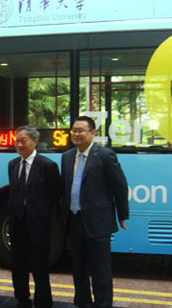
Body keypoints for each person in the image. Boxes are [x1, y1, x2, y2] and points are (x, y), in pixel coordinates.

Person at [60, 116, 129, 308]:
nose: (76, 134)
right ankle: (82, 302)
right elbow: (64, 189)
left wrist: (122, 215)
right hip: (74, 221)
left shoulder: (105, 156)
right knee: (78, 268)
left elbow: (120, 187)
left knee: (101, 271)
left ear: (93, 133)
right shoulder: (66, 157)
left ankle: (103, 304)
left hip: (98, 222)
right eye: (74, 130)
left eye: (81, 130)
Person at [8, 126, 61, 308]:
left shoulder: (47, 166)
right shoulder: (13, 164)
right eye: (17, 141)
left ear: (35, 142)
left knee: (39, 267)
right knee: (18, 266)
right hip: (17, 223)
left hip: (38, 224)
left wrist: (41, 214)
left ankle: (43, 302)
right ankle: (21, 299)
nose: (19, 145)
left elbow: (55, 195)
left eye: (23, 141)